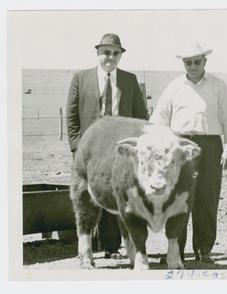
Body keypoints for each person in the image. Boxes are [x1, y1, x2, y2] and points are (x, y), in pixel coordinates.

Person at [150, 43, 227, 263]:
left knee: (207, 198)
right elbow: (159, 119)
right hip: (180, 146)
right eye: (188, 62)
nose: (193, 66)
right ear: (183, 64)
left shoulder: (218, 86)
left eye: (197, 61)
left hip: (210, 146)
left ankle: (204, 249)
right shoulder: (174, 87)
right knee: (178, 199)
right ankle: (175, 251)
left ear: (205, 61)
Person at [66, 33, 149, 258]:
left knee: (125, 199)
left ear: (120, 55)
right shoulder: (80, 78)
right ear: (98, 53)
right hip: (91, 154)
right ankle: (93, 249)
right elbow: (72, 118)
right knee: (90, 198)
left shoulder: (129, 80)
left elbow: (142, 118)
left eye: (115, 53)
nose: (110, 57)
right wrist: (77, 150)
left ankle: (130, 249)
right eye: (106, 52)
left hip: (123, 153)